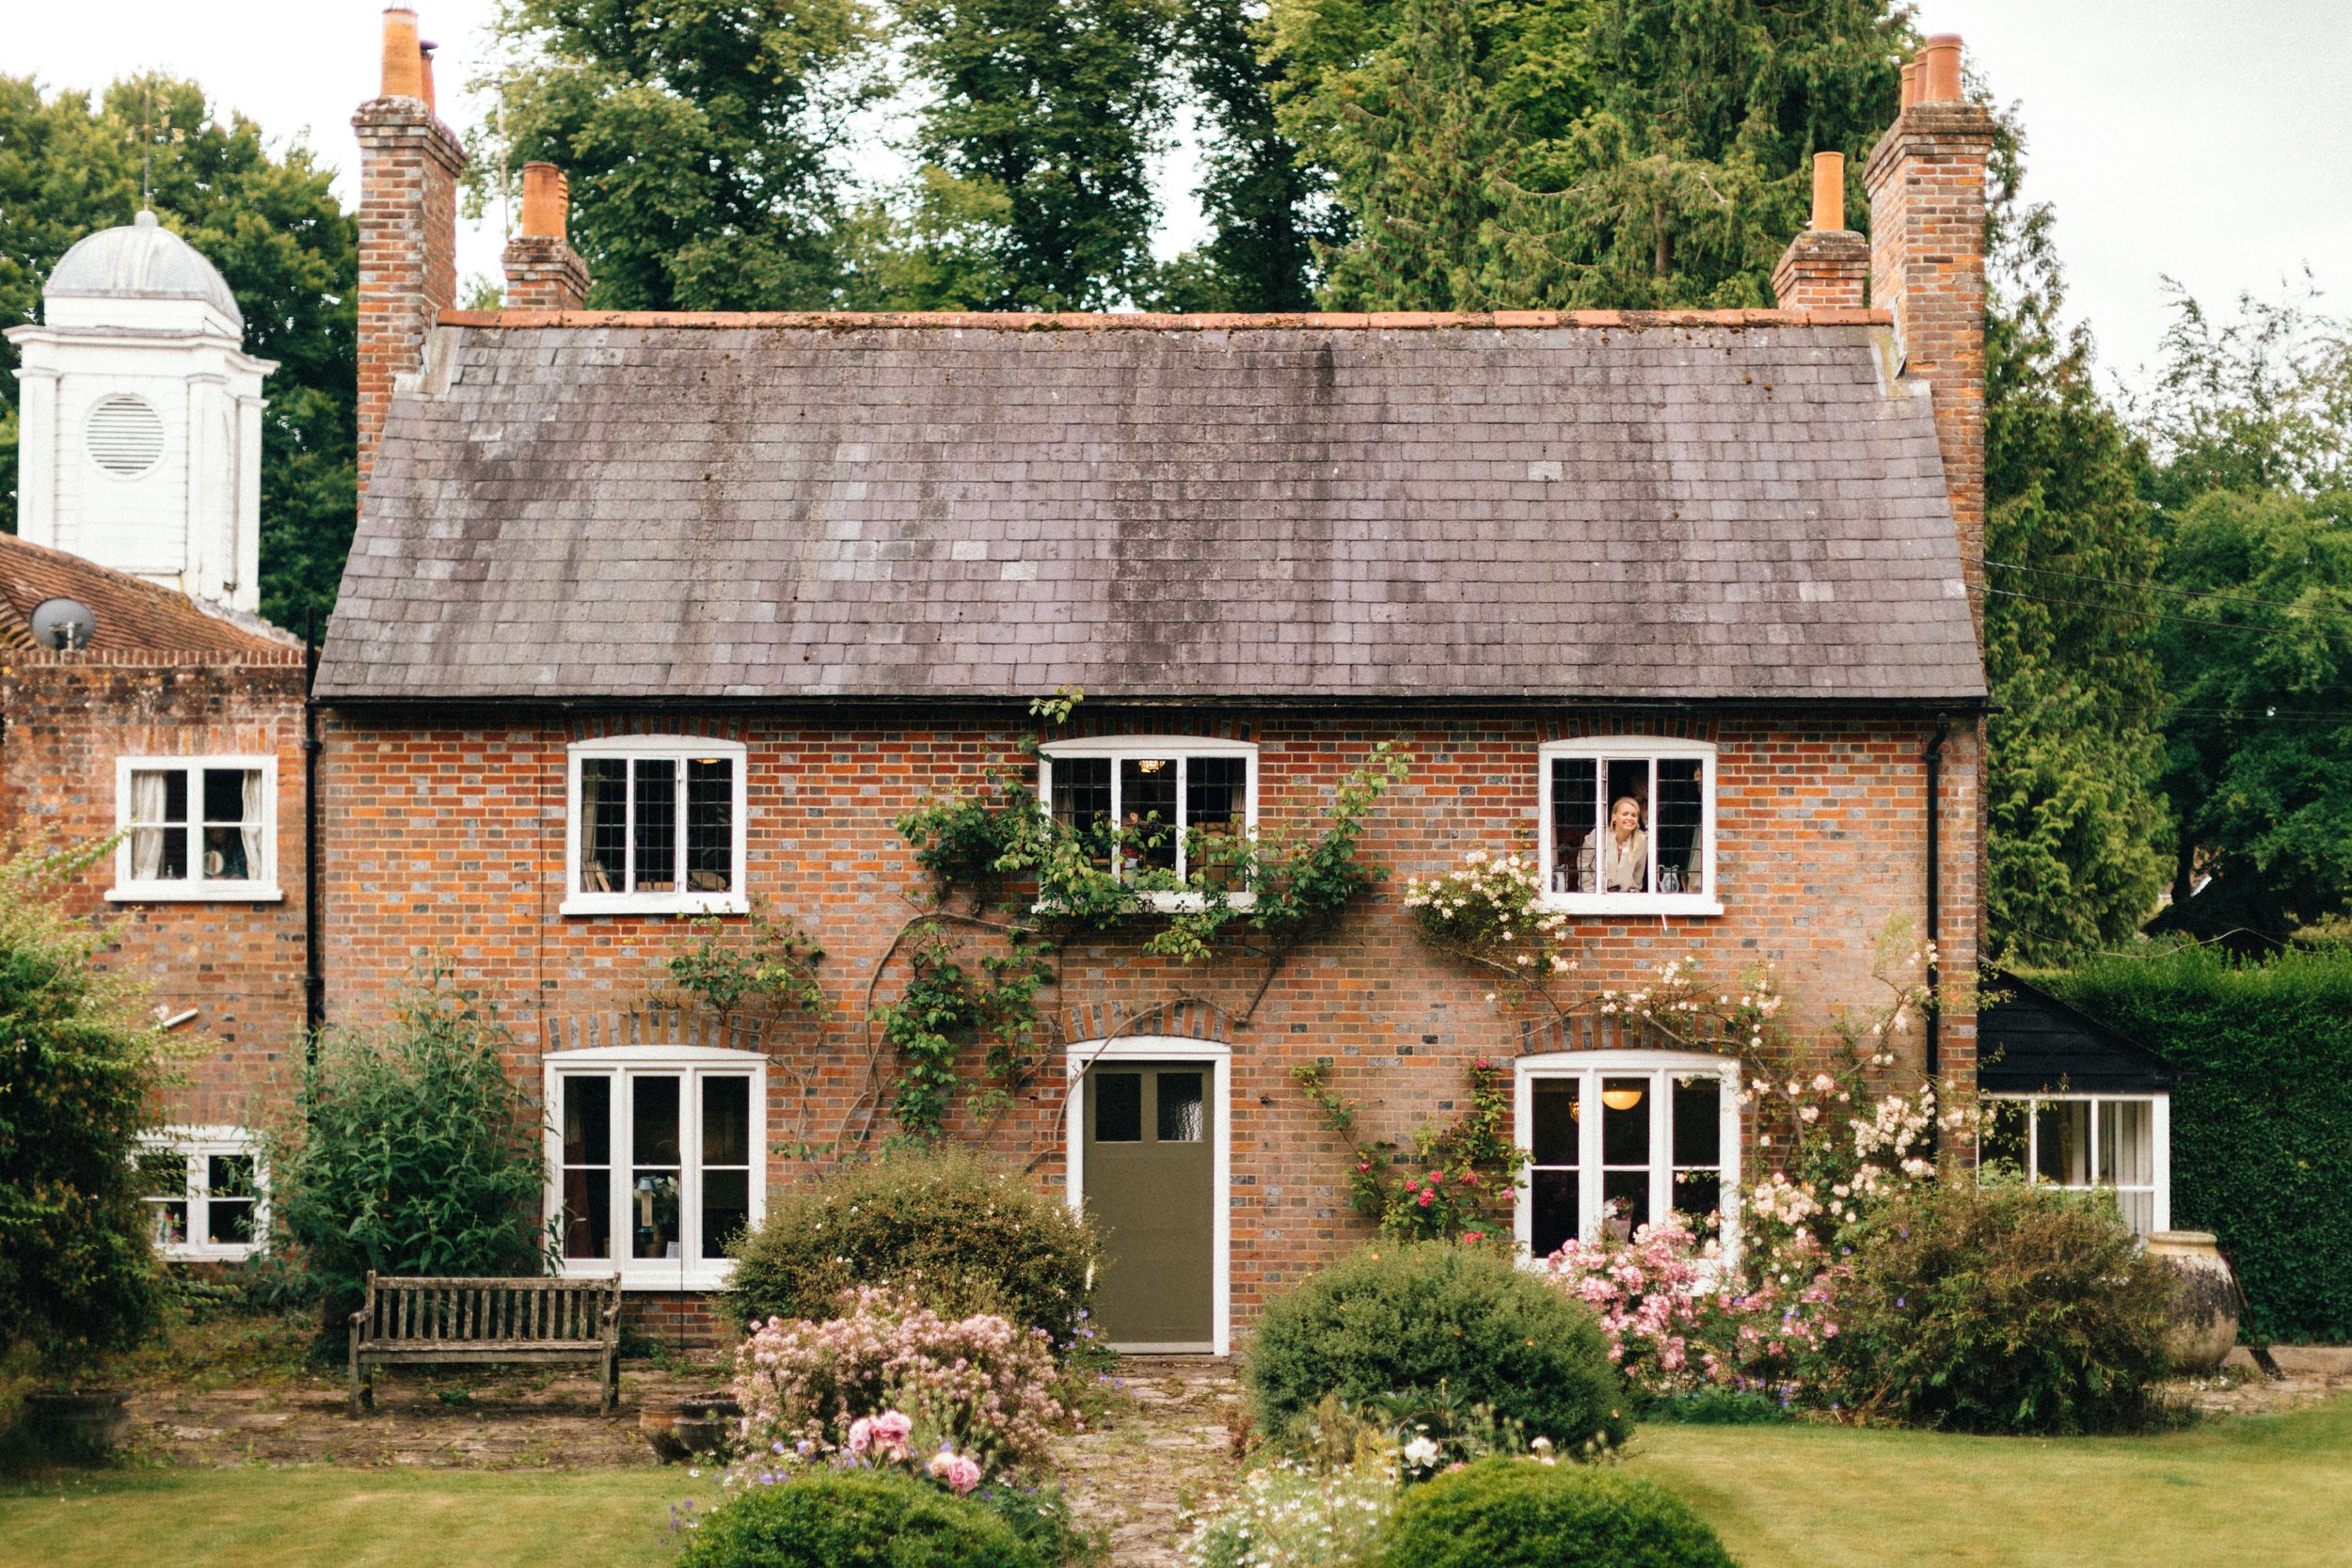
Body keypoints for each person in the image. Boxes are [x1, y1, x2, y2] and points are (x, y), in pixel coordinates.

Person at [1602, 795, 1646, 892]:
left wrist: (1633, 892)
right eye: (1625, 814)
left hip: (1625, 897)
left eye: (1634, 815)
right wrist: (1590, 890)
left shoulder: (1642, 840)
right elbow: (1584, 864)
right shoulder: (1600, 836)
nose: (1630, 818)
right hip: (1597, 895)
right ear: (1614, 817)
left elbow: (1639, 871)